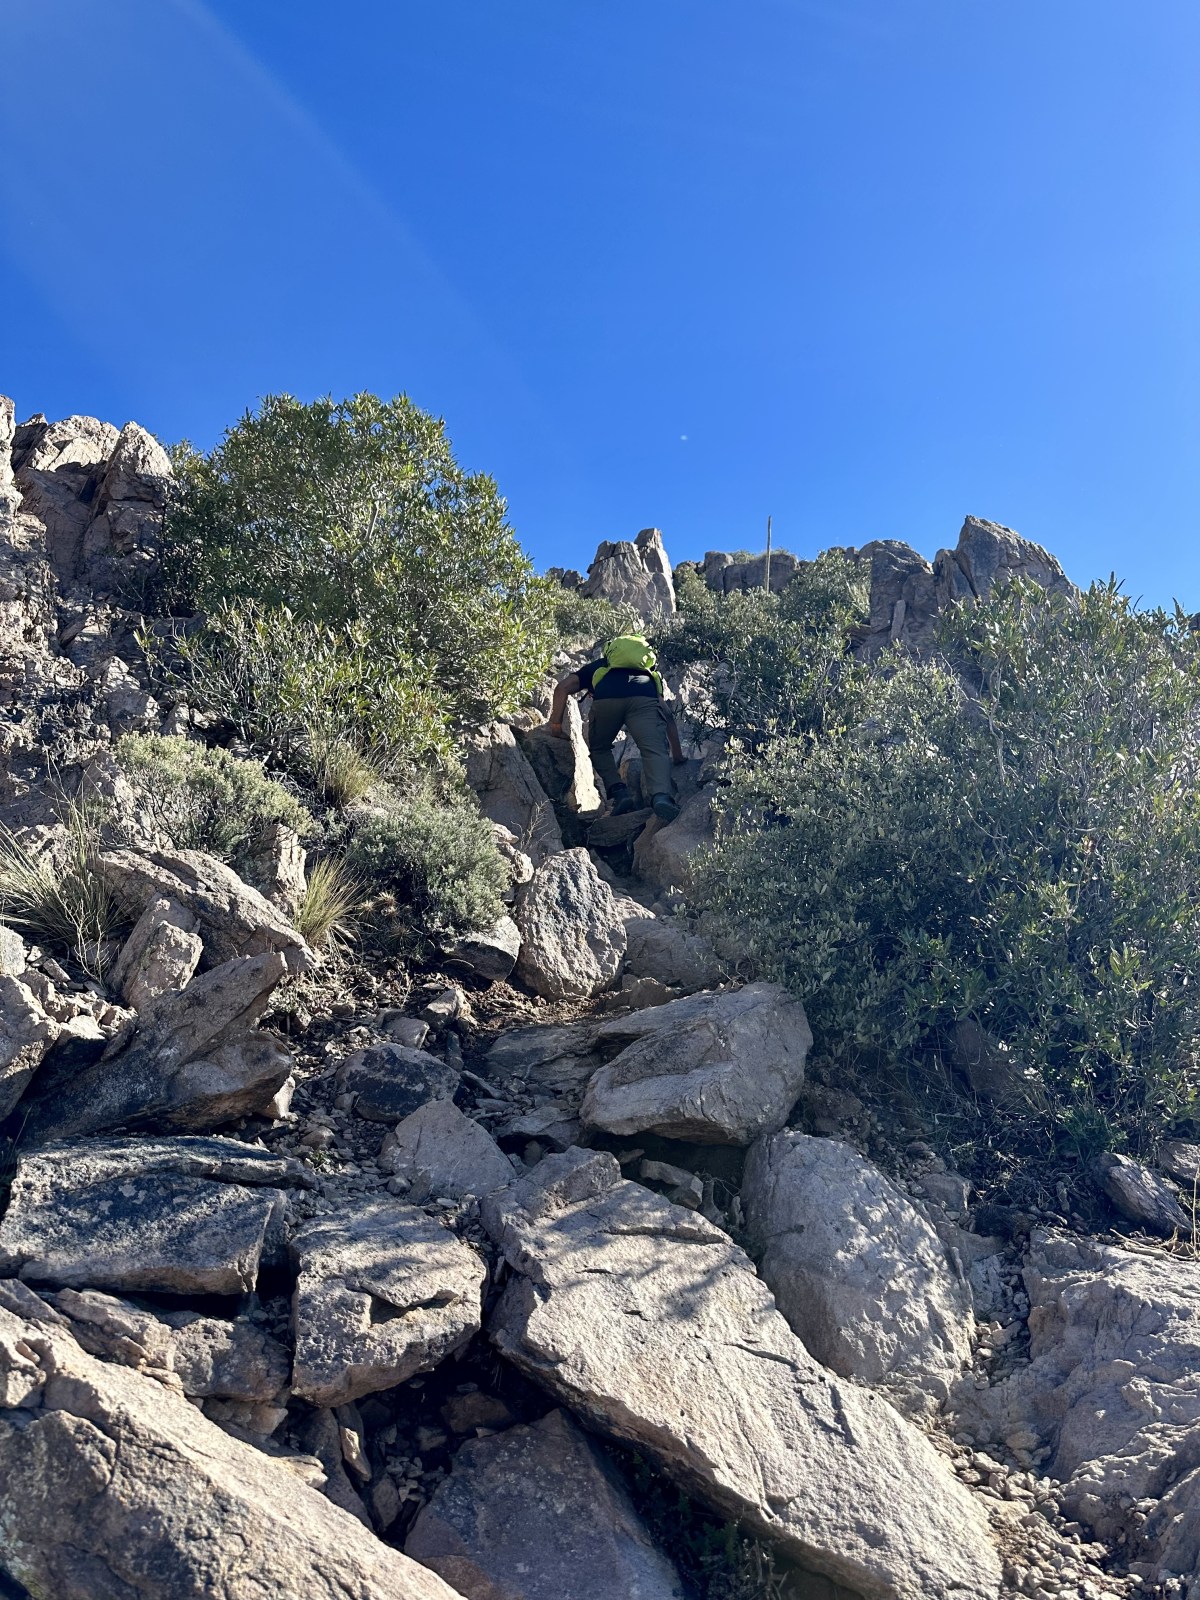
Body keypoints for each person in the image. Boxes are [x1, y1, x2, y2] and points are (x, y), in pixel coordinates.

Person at [548, 633, 686, 821]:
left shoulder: (600, 666)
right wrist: (677, 755)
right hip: (643, 698)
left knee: (599, 748)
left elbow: (562, 688)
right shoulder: (648, 675)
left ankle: (620, 793)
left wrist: (556, 724)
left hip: (607, 698)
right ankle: (661, 797)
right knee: (654, 750)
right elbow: (667, 715)